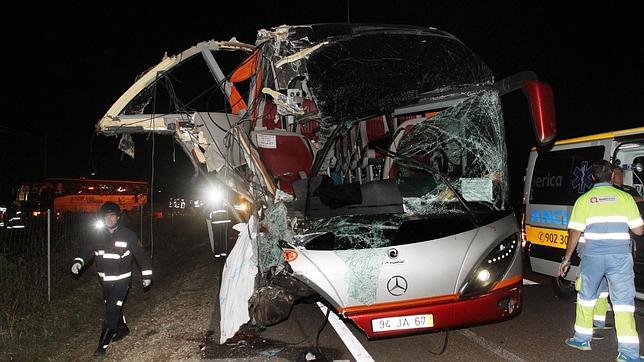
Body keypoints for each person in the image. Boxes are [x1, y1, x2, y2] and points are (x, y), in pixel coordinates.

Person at [559, 160, 643, 361]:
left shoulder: (584, 200)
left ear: (592, 177)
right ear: (612, 176)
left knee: (586, 297)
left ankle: (581, 339)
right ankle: (628, 354)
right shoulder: (625, 198)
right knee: (623, 304)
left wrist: (567, 259)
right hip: (620, 257)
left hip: (593, 256)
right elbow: (639, 230)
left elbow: (575, 233)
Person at [71, 201, 153, 356]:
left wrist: (147, 275)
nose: (109, 219)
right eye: (106, 216)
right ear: (102, 218)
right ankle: (122, 329)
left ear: (118, 218)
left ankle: (102, 346)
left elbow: (141, 256)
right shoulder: (96, 236)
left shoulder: (128, 235)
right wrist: (78, 262)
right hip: (105, 282)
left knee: (112, 311)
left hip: (122, 281)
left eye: (112, 216)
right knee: (112, 305)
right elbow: (86, 251)